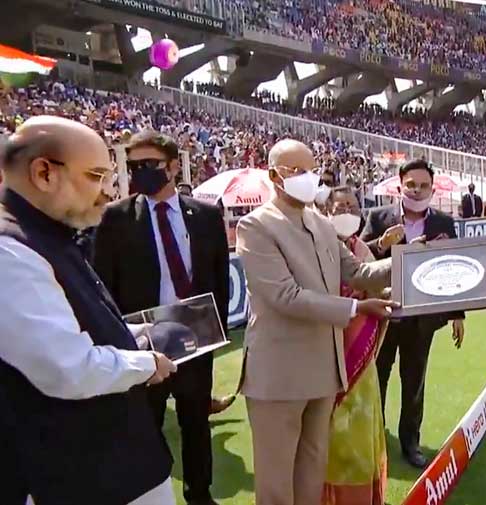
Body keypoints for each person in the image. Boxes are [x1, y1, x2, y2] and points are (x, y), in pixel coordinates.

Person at [0, 116, 177, 505]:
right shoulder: (10, 251)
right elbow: (69, 369)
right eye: (97, 176)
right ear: (44, 173)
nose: (109, 192)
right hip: (80, 476)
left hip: (119, 466)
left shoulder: (52, 234)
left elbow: (81, 328)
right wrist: (146, 364)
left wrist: (135, 337)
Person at [237, 139, 395, 505]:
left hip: (324, 371)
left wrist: (408, 263)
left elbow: (358, 272)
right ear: (274, 176)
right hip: (278, 375)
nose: (307, 178)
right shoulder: (256, 226)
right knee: (277, 484)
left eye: (311, 169)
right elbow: (284, 296)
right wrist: (355, 310)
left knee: (311, 470)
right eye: (296, 171)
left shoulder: (322, 224)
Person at [93, 130, 230, 505]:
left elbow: (219, 276)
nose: (140, 173)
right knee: (144, 427)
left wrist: (212, 330)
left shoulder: (204, 215)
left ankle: (199, 495)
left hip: (195, 339)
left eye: (149, 165)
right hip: (142, 343)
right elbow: (103, 285)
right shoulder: (115, 218)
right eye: (134, 166)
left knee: (196, 424)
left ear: (173, 166)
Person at [360, 159, 465, 468]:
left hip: (422, 318)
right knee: (376, 380)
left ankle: (410, 443)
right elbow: (358, 258)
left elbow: (453, 268)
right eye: (411, 185)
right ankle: (373, 440)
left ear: (432, 189)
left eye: (423, 186)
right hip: (382, 315)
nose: (417, 191)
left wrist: (458, 313)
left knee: (414, 382)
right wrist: (383, 243)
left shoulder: (444, 223)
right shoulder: (378, 217)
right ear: (400, 186)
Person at [322, 186, 389, 505]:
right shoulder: (318, 248)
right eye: (339, 207)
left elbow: (377, 286)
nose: (345, 212)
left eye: (352, 206)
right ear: (327, 212)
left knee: (361, 435)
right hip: (327, 354)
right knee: (332, 437)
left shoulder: (364, 250)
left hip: (363, 362)